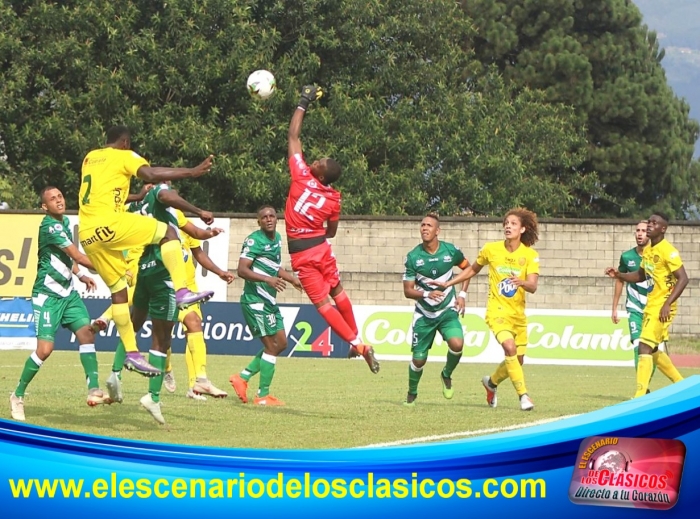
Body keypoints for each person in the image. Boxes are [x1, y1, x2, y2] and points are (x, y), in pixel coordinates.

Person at [78, 126, 215, 377]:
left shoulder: (90, 158)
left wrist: (136, 196)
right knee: (167, 232)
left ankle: (131, 353)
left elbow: (104, 193)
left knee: (119, 294)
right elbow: (150, 173)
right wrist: (192, 172)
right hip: (109, 224)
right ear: (126, 142)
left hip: (88, 234)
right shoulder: (124, 155)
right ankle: (182, 290)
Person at [104, 182, 231, 404]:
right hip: (157, 276)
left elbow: (195, 236)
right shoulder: (145, 214)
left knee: (190, 325)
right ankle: (137, 374)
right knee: (153, 331)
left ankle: (199, 380)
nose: (170, 194)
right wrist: (137, 196)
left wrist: (210, 236)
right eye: (165, 192)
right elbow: (112, 208)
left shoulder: (176, 215)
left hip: (182, 284)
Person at [285, 85, 379, 374]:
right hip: (322, 248)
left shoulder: (301, 175)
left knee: (324, 305)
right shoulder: (334, 197)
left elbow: (293, 136)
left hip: (303, 255)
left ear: (320, 173)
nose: (313, 161)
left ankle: (358, 345)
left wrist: (303, 101)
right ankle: (357, 340)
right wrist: (319, 237)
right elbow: (333, 231)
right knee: (337, 290)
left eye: (318, 163)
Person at [9, 187, 111, 421]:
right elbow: (77, 255)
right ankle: (17, 395)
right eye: (52, 199)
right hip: (47, 296)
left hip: (68, 294)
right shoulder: (50, 226)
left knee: (86, 334)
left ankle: (93, 389)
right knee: (45, 350)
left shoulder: (64, 221)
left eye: (60, 197)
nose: (58, 201)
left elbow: (66, 258)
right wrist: (110, 269)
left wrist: (80, 275)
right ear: (44, 207)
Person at [436, 208, 540, 411]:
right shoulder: (491, 249)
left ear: (523, 229)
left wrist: (521, 282)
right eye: (506, 223)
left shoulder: (530, 255)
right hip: (497, 312)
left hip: (518, 315)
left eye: (513, 223)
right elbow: (472, 270)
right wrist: (450, 284)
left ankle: (491, 383)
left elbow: (533, 286)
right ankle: (524, 396)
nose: (508, 226)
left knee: (518, 360)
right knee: (509, 348)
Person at [605, 213, 687, 398]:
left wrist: (667, 303)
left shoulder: (668, 251)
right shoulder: (649, 250)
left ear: (663, 229)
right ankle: (681, 384)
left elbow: (683, 279)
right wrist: (619, 275)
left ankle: (640, 395)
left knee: (643, 346)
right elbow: (640, 276)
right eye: (648, 222)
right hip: (652, 305)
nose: (649, 226)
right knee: (654, 349)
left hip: (663, 307)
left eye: (653, 223)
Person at [230, 206, 303, 406]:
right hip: (255, 302)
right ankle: (262, 396)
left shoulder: (278, 238)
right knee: (272, 346)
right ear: (258, 221)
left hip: (268, 301)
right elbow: (242, 270)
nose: (268, 219)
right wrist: (267, 280)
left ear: (277, 219)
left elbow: (274, 267)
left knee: (282, 344)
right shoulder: (254, 241)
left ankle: (242, 377)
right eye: (264, 217)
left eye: (272, 216)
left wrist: (291, 279)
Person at [162, 208, 235, 401]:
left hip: (187, 290)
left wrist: (220, 272)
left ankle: (197, 383)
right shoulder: (152, 224)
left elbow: (199, 254)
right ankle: (166, 367)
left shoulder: (180, 221)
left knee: (193, 324)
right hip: (163, 290)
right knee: (163, 339)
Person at [401, 213, 471, 406]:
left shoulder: (450, 251)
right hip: (424, 315)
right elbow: (408, 291)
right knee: (419, 360)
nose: (425, 228)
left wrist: (462, 295)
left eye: (429, 225)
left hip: (447, 311)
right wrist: (425, 294)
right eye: (422, 225)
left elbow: (468, 269)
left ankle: (446, 374)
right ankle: (412, 393)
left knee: (457, 344)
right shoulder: (413, 257)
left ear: (437, 230)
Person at [611, 220, 658, 384]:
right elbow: (619, 280)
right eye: (637, 230)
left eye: (644, 231)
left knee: (653, 351)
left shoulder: (657, 256)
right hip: (635, 308)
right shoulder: (627, 257)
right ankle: (642, 388)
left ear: (650, 233)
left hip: (654, 310)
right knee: (638, 345)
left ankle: (645, 385)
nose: (640, 234)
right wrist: (614, 308)